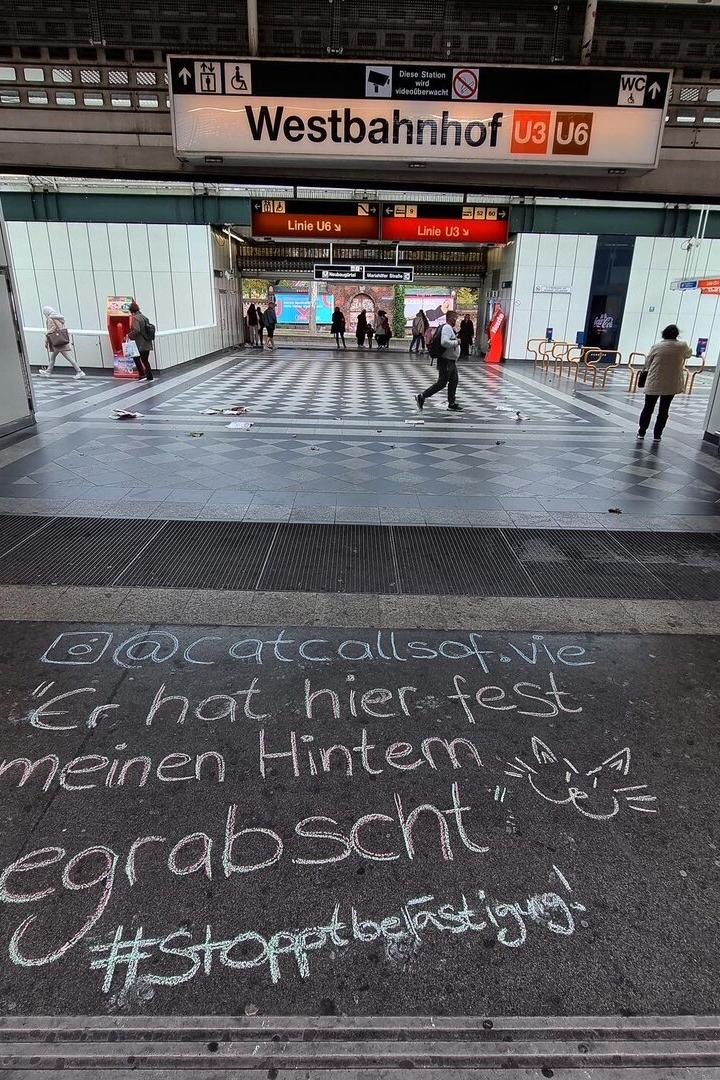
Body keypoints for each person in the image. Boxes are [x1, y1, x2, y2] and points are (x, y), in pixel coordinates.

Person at [637, 324, 692, 442]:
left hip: (654, 381)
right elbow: (688, 354)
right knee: (664, 409)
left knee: (648, 407)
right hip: (671, 383)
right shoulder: (682, 346)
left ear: (664, 333)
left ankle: (641, 432)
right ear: (677, 334)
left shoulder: (657, 346)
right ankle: (657, 435)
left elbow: (648, 363)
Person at [416, 309, 462, 412]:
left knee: (454, 381)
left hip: (450, 361)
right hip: (445, 361)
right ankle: (422, 396)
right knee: (442, 383)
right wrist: (456, 342)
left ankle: (452, 403)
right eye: (455, 319)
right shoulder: (446, 328)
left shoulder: (448, 327)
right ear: (450, 319)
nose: (456, 321)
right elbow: (444, 342)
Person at [38, 306, 85, 378]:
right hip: (60, 341)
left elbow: (54, 328)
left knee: (67, 357)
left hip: (58, 342)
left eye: (44, 313)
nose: (44, 315)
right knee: (53, 357)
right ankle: (48, 371)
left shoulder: (50, 318)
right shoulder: (57, 317)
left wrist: (47, 333)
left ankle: (79, 372)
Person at [127, 301, 155, 381]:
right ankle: (149, 376)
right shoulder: (144, 317)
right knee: (145, 360)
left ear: (131, 311)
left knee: (136, 358)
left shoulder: (135, 318)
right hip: (147, 342)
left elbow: (137, 330)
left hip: (140, 344)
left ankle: (142, 374)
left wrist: (129, 335)